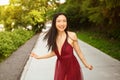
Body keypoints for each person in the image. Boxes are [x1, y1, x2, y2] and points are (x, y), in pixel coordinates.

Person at [30, 12, 93, 80]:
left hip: (72, 67)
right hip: (60, 68)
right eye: (59, 21)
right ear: (54, 23)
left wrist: (86, 64)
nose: (62, 24)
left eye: (64, 21)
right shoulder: (54, 37)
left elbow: (79, 52)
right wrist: (39, 57)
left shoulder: (72, 35)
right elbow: (56, 52)